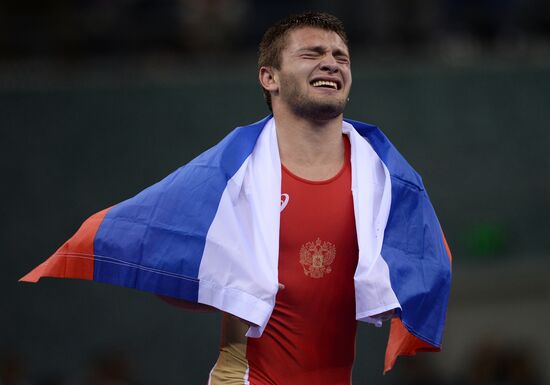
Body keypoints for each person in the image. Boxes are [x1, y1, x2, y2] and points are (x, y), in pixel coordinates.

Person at [21, 12, 452, 385]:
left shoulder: (384, 177)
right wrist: (215, 282)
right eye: (312, 53)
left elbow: (425, 265)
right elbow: (162, 254)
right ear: (270, 77)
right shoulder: (229, 177)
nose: (331, 63)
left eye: (341, 56)